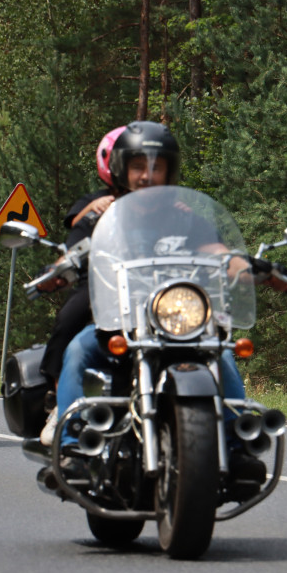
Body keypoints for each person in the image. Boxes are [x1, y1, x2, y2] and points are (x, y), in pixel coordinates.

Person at [35, 121, 182, 444]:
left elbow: (215, 249)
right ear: (121, 170)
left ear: (169, 172)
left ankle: (234, 440)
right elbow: (73, 246)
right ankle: (68, 429)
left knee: (222, 354)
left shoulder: (183, 213)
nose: (147, 175)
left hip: (172, 316)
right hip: (114, 310)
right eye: (138, 167)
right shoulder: (99, 210)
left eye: (156, 168)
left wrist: (244, 264)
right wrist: (57, 270)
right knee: (76, 345)